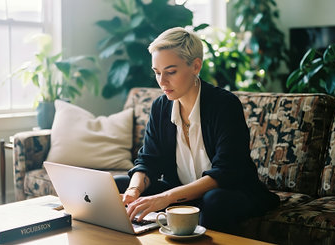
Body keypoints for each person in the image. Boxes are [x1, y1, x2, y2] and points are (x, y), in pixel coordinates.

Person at [114, 27, 279, 233]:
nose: (162, 82)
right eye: (157, 72)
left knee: (214, 200)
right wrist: (134, 189)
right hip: (180, 190)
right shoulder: (160, 107)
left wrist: (164, 198)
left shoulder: (224, 105)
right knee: (116, 185)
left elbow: (225, 173)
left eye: (171, 72)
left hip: (229, 191)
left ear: (195, 66)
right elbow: (148, 160)